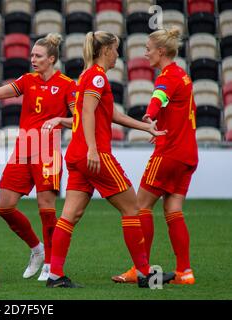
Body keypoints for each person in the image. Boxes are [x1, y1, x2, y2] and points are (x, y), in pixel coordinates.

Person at [46, 31, 175, 289]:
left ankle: (55, 275)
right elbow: (88, 112)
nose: (118, 54)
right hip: (95, 154)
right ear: (105, 50)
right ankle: (144, 273)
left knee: (70, 215)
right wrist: (94, 149)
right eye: (116, 49)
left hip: (77, 154)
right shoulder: (97, 76)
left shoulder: (87, 75)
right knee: (133, 208)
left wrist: (144, 127)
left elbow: (110, 114)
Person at [0, 33, 76, 281]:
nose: (32, 59)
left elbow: (79, 119)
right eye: (31, 55)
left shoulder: (68, 85)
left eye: (37, 56)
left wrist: (61, 120)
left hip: (48, 151)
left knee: (46, 209)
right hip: (23, 149)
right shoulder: (27, 80)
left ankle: (51, 263)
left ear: (51, 59)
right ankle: (37, 249)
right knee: (5, 206)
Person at [112, 27, 198, 285]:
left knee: (140, 206)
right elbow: (181, 108)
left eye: (148, 49)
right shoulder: (183, 76)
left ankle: (143, 269)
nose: (145, 53)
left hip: (169, 153)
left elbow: (159, 96)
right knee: (173, 209)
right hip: (187, 154)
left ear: (161, 52)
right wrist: (162, 122)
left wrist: (150, 114)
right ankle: (185, 272)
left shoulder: (168, 76)